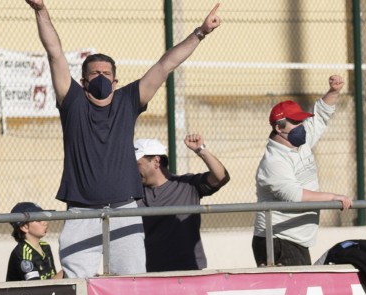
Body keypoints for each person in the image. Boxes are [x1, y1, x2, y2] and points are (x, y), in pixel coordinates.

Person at [25, 0, 221, 278]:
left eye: (106, 73)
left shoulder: (128, 100)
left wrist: (201, 32)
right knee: (78, 284)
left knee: (130, 281)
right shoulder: (72, 101)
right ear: (83, 81)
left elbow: (164, 65)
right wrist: (40, 10)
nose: (101, 77)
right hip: (81, 210)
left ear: (115, 81)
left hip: (125, 209)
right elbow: (54, 53)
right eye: (94, 74)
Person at [253, 75, 354, 266]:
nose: (302, 127)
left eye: (301, 122)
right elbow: (294, 195)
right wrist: (333, 197)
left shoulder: (300, 142)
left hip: (295, 241)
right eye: (296, 122)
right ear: (278, 127)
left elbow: (321, 115)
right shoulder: (273, 162)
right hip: (277, 241)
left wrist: (334, 91)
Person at [135, 134, 231, 272]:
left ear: (156, 161)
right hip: (148, 271)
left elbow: (221, 177)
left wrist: (200, 150)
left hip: (187, 270)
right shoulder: (133, 192)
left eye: (137, 164)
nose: (133, 170)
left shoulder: (187, 184)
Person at [5, 202, 62, 282]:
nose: (45, 222)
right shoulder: (23, 253)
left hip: (47, 294)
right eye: (39, 219)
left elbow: (52, 280)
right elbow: (35, 288)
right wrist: (67, 270)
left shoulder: (45, 247)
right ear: (25, 227)